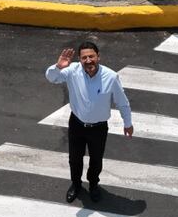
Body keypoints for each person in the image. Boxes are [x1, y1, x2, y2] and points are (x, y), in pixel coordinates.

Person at [45, 42, 133, 203]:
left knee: (96, 159)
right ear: (79, 59)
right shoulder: (72, 71)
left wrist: (127, 123)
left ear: (98, 57)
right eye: (84, 57)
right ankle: (76, 184)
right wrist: (58, 66)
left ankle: (93, 185)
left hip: (98, 128)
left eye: (91, 56)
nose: (88, 60)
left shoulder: (111, 76)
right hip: (77, 124)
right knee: (75, 158)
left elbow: (122, 102)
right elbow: (52, 78)